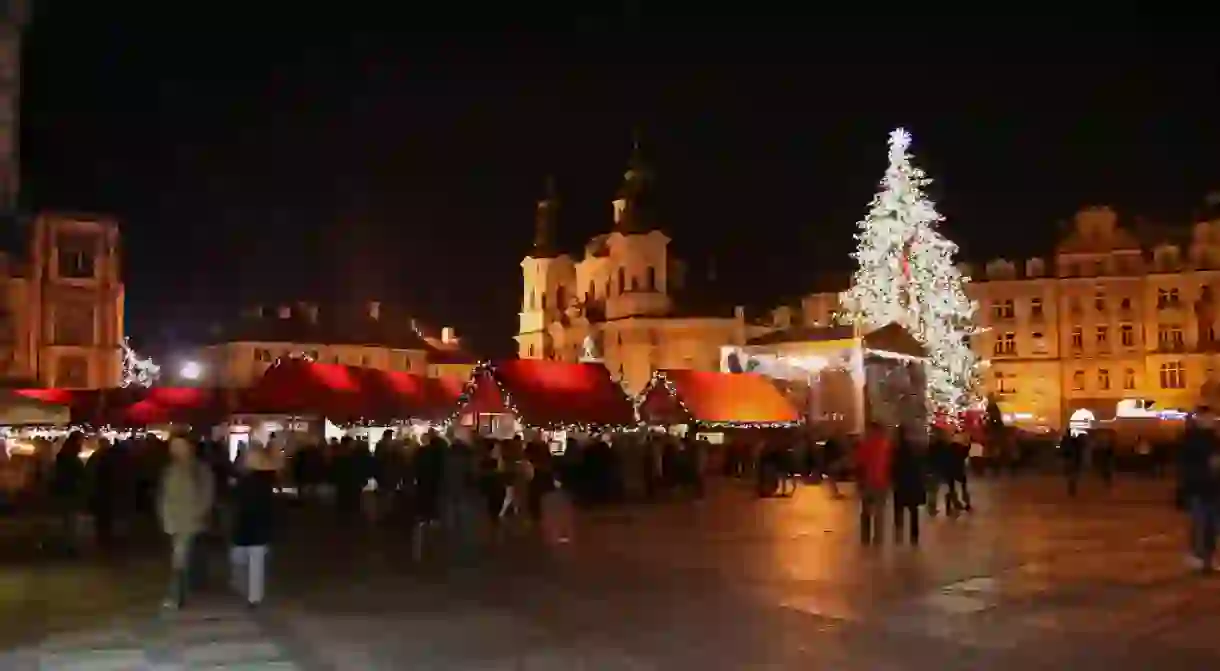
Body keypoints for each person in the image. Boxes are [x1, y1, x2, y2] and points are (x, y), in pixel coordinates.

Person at [157, 434, 215, 609]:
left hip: (190, 519)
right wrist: (165, 516)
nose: (176, 450)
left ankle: (176, 596)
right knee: (182, 557)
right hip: (173, 520)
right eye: (174, 446)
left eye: (180, 445)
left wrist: (198, 513)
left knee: (179, 558)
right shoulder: (169, 469)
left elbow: (207, 494)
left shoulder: (199, 469)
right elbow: (164, 495)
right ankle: (186, 589)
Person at [230, 444, 277, 607]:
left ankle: (254, 596)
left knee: (255, 562)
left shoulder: (262, 479)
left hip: (256, 525)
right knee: (242, 560)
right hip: (247, 525)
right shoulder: (245, 478)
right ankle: (249, 592)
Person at [1178, 407, 1220, 572]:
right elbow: (1185, 465)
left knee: (1212, 525)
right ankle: (1197, 556)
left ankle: (1209, 557)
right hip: (1198, 488)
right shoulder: (1190, 439)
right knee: (1200, 523)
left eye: (1212, 418)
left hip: (1214, 487)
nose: (1211, 421)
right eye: (1207, 418)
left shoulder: (1215, 438)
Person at [855, 422, 893, 545]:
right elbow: (891, 465)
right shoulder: (887, 445)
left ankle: (865, 538)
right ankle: (878, 538)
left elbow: (859, 463)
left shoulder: (865, 445)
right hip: (881, 482)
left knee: (866, 511)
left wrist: (859, 481)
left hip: (868, 482)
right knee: (879, 512)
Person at [890, 430, 926, 545]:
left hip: (901, 483)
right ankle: (914, 534)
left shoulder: (896, 450)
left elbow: (893, 467)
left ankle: (899, 532)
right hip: (912, 483)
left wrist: (892, 479)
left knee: (899, 509)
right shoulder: (915, 450)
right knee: (913, 510)